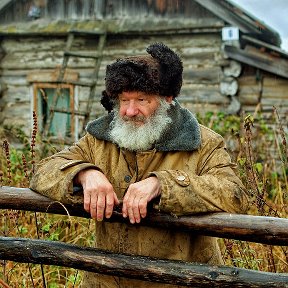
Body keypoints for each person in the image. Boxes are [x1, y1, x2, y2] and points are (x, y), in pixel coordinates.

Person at [30, 42, 249, 288]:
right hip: (106, 280)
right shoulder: (100, 138)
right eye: (124, 100)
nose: (130, 111)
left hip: (180, 281)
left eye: (141, 100)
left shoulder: (202, 142)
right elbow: (43, 171)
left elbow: (235, 194)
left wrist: (164, 184)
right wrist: (85, 173)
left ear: (168, 98)